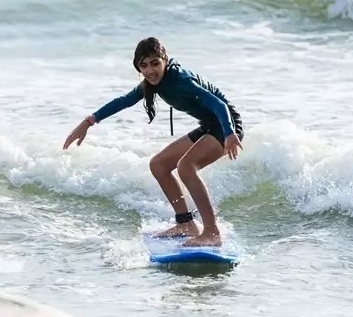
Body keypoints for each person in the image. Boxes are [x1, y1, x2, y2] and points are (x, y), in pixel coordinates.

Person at [62, 37, 244, 247]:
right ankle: (186, 223)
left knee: (186, 167)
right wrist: (88, 121)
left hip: (226, 124)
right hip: (210, 126)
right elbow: (124, 101)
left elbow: (219, 105)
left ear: (165, 60)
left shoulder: (181, 79)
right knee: (159, 164)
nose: (150, 71)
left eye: (155, 63)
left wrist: (230, 134)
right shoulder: (151, 84)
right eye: (144, 65)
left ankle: (212, 232)